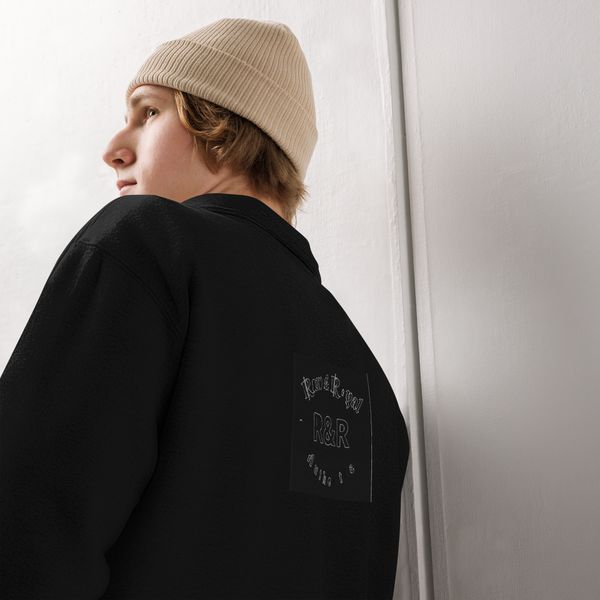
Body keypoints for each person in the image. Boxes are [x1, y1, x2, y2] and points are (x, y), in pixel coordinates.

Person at [0, 17, 411, 600]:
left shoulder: (143, 245)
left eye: (148, 112)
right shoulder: (374, 392)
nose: (114, 150)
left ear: (222, 127)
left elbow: (23, 523)